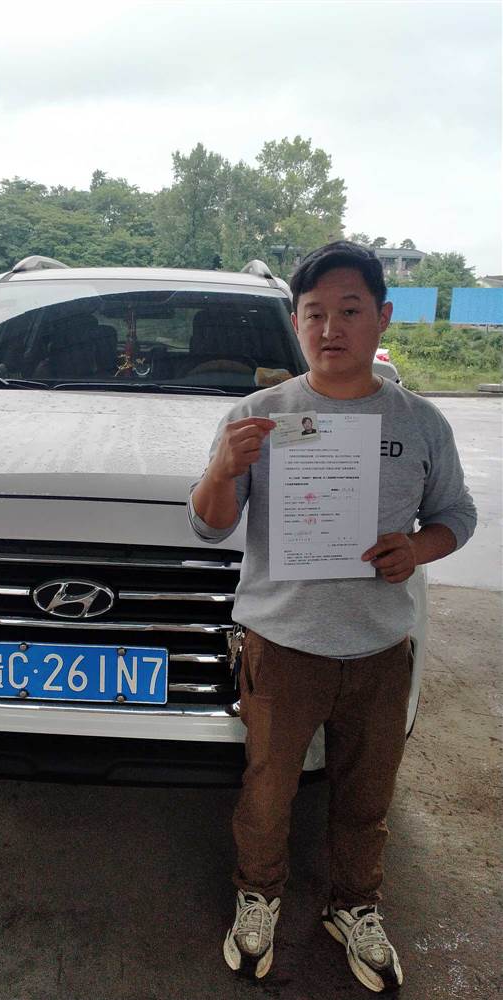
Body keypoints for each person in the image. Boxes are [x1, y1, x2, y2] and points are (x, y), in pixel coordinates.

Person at [188, 241, 477, 993]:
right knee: (267, 793)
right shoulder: (258, 418)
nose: (331, 328)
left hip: (379, 648)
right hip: (282, 647)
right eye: (315, 313)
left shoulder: (419, 422)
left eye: (350, 311)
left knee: (366, 798)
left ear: (382, 318)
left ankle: (354, 906)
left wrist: (416, 548)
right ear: (296, 322)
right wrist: (222, 469)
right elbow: (210, 527)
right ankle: (259, 896)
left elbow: (457, 515)